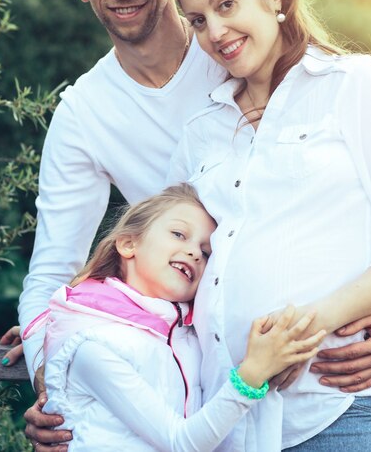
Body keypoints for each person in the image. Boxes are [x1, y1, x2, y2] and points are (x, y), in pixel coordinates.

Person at [0, 0, 371, 451]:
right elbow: (57, 273)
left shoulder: (279, 70)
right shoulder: (105, 115)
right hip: (216, 408)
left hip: (328, 399)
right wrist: (58, 386)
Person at [166, 0, 371, 451]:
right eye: (198, 20)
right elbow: (166, 256)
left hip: (338, 407)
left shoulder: (355, 86)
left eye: (227, 6)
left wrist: (303, 331)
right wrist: (67, 331)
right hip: (228, 420)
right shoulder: (200, 131)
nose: (215, 33)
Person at [22, 183, 326, 451]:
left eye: (207, 252)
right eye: (179, 234)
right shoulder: (94, 346)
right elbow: (180, 443)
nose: (194, 252)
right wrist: (253, 374)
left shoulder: (186, 337)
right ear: (129, 244)